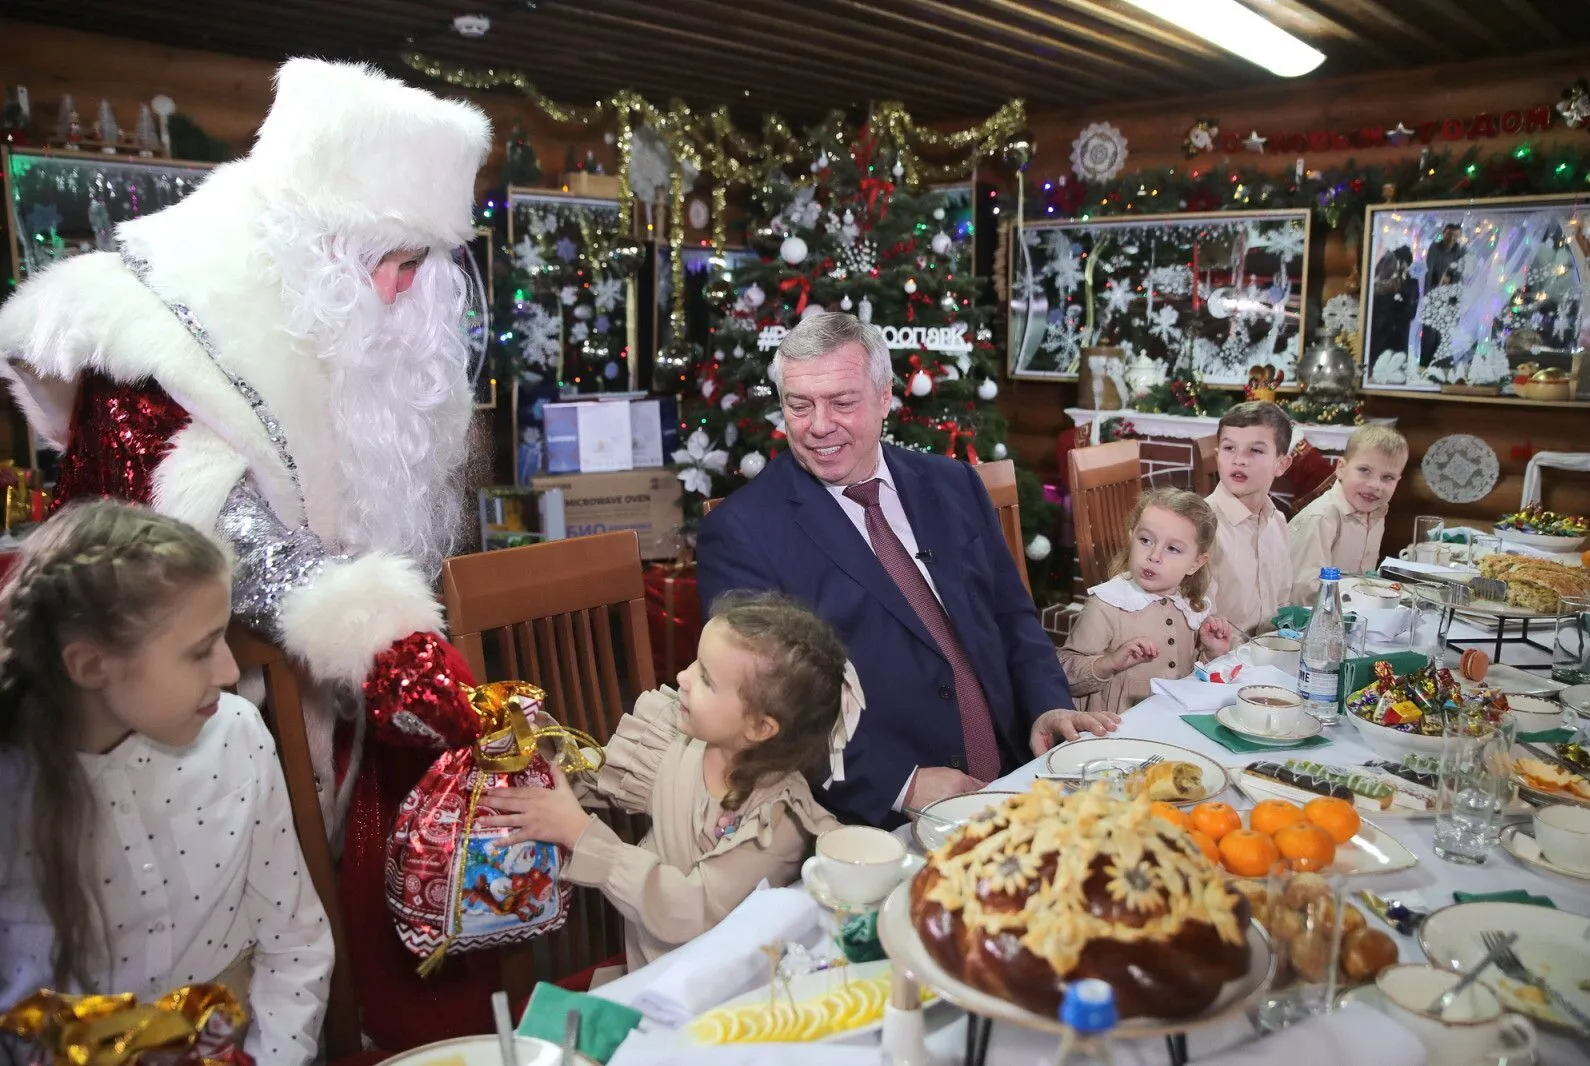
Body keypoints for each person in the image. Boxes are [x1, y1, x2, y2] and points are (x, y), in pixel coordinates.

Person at [0, 59, 494, 1050]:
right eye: (389, 260)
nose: (407, 291)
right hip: (161, 747)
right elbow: (226, 544)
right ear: (309, 242)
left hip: (306, 733)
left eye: (423, 265)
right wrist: (399, 653)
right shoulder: (158, 325)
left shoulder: (358, 329)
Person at [695, 313, 1117, 829]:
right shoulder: (742, 532)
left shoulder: (954, 483)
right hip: (879, 819)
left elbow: (1011, 616)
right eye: (799, 405)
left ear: (884, 397)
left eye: (842, 402)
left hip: (1020, 774)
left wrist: (1047, 705)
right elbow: (761, 704)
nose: (818, 426)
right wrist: (900, 783)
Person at [0, 501, 333, 1065]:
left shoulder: (236, 736)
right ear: (90, 666)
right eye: (201, 650)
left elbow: (295, 943)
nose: (230, 672)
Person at [480, 592, 845, 968]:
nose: (683, 677)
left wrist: (579, 834)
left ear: (759, 727)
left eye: (706, 678)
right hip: (651, 971)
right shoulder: (679, 743)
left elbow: (693, 910)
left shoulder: (775, 821)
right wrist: (535, 748)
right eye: (694, 663)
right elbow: (593, 776)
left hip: (717, 996)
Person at [1059, 488, 1234, 715]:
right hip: (1118, 732)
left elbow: (1189, 677)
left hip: (1174, 724)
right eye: (1145, 540)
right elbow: (1064, 673)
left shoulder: (1190, 606)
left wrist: (1211, 654)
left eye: (1172, 548)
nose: (1154, 555)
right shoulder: (1107, 604)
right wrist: (1109, 663)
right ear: (1131, 538)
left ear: (1196, 563)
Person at [1288, 425, 1409, 605]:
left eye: (1388, 477)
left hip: (1351, 613)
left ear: (1398, 480)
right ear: (1341, 468)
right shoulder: (1322, 517)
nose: (1375, 485)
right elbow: (1303, 592)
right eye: (1364, 470)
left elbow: (1363, 578)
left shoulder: (1377, 512)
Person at [1205, 400, 1294, 635]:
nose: (1239, 460)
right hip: (1221, 661)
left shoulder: (1278, 522)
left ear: (1281, 464)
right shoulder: (1202, 527)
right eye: (1229, 448)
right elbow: (1196, 620)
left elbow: (1283, 604)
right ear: (1218, 455)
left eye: (1255, 450)